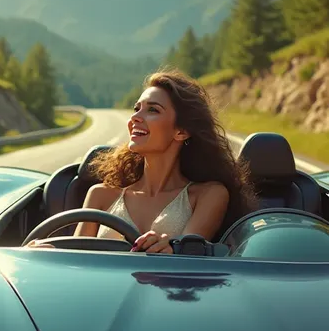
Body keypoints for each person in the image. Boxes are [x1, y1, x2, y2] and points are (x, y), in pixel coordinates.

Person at [28, 68, 257, 253]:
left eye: (153, 110)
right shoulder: (99, 195)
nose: (135, 117)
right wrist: (43, 253)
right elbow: (75, 263)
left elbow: (190, 261)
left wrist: (172, 249)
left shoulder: (209, 195)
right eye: (136, 108)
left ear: (181, 131)